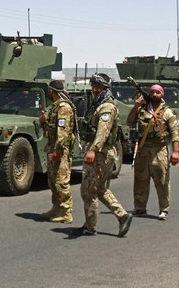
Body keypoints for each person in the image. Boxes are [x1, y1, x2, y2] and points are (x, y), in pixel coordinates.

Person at [78, 73, 133, 237]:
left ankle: (91, 226)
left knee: (88, 190)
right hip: (102, 153)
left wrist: (92, 150)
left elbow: (103, 132)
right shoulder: (99, 104)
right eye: (93, 86)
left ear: (105, 88)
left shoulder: (107, 107)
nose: (94, 90)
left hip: (101, 154)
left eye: (98, 87)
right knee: (100, 189)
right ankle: (122, 216)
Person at [126, 83, 179, 221]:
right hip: (143, 149)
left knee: (162, 180)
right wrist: (136, 106)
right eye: (152, 92)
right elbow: (130, 122)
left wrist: (176, 152)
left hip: (159, 149)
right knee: (140, 179)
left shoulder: (167, 112)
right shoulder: (143, 109)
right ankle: (139, 207)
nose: (155, 95)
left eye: (158, 92)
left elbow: (175, 133)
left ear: (162, 94)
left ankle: (164, 209)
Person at [39, 80, 76, 223]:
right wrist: (43, 120)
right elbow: (50, 128)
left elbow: (63, 131)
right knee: (52, 181)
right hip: (53, 147)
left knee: (61, 182)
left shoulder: (64, 108)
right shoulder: (55, 107)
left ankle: (66, 212)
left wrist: (58, 150)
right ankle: (56, 208)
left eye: (49, 90)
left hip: (60, 150)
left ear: (52, 91)